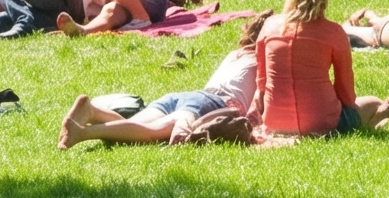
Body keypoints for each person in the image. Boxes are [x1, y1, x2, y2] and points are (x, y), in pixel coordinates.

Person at [58, 19, 267, 146]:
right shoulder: (262, 61)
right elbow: (260, 101)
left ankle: (92, 111)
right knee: (152, 133)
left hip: (185, 96)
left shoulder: (236, 54)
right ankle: (83, 133)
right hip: (212, 104)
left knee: (134, 129)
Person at [250, 0, 389, 136]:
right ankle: (371, 123)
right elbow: (347, 95)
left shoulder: (269, 26)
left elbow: (261, 84)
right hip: (322, 122)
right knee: (373, 102)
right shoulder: (333, 32)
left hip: (274, 121)